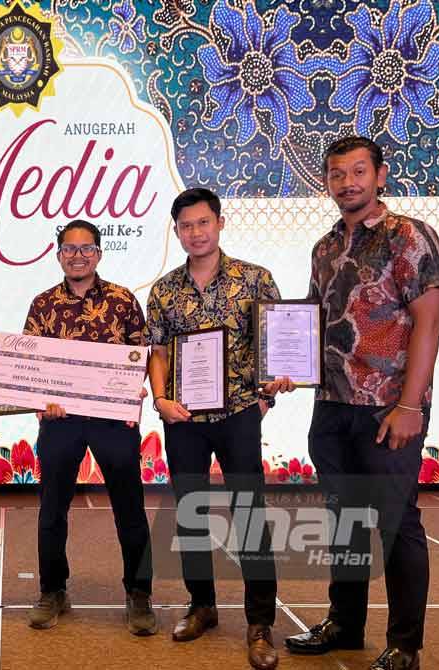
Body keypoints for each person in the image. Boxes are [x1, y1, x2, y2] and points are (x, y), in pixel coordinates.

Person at [284, 137, 439, 670]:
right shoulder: (325, 247)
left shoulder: (410, 237)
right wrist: (282, 369)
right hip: (332, 407)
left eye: (358, 171)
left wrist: (411, 406)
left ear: (380, 175)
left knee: (396, 524)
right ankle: (345, 624)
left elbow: (429, 321)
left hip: (387, 411)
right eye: (336, 173)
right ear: (326, 181)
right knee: (344, 522)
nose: (347, 182)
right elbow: (308, 324)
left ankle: (404, 645)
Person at [146, 188, 290, 670]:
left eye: (203, 223)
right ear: (177, 231)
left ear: (220, 223)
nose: (196, 233)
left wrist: (267, 396)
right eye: (186, 226)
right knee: (190, 517)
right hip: (184, 419)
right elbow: (158, 352)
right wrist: (162, 400)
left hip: (238, 416)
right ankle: (201, 605)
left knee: (250, 516)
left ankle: (259, 622)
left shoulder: (255, 279)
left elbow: (277, 346)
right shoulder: (164, 290)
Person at [23, 219, 157, 636]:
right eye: (69, 248)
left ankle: (139, 593)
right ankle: (52, 590)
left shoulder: (123, 300)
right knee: (52, 510)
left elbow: (143, 353)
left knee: (130, 509)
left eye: (86, 248)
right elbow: (30, 366)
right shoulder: (43, 304)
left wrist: (136, 390)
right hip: (61, 422)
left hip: (113, 420)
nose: (77, 255)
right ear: (58, 253)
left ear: (99, 253)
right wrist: (39, 399)